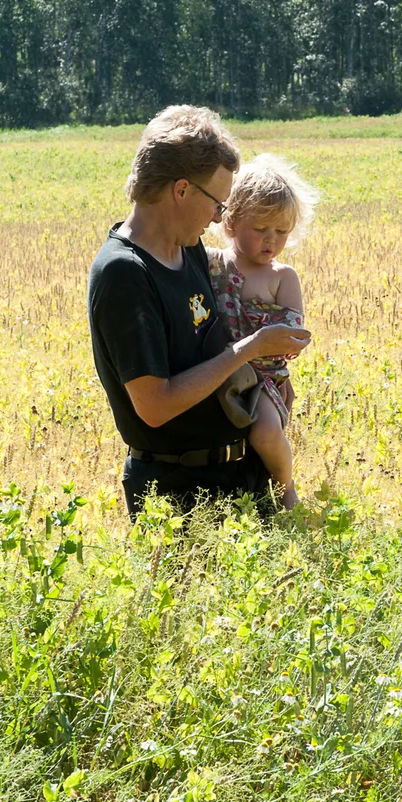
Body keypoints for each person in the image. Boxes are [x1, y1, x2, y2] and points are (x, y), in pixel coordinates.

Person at [87, 105, 312, 517]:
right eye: (217, 203)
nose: (217, 218)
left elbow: (214, 337)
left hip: (243, 476)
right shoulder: (125, 273)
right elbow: (155, 407)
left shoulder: (187, 249)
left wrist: (264, 381)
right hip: (178, 497)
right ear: (182, 190)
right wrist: (249, 350)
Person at [204, 154, 318, 509]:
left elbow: (292, 335)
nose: (271, 241)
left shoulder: (283, 277)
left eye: (281, 232)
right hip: (216, 370)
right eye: (261, 229)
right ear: (232, 222)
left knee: (266, 432)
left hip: (263, 379)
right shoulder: (211, 262)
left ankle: (287, 489)